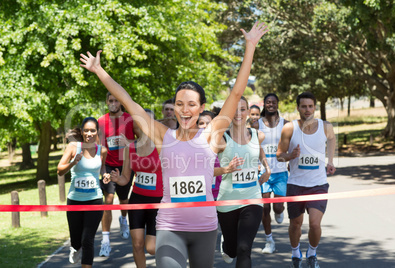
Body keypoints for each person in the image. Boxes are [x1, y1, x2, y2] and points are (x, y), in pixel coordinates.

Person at [79, 21, 268, 268]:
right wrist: (99, 71)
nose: (185, 110)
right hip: (169, 227)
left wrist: (250, 47)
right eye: (179, 104)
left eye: (191, 104)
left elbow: (235, 94)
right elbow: (127, 100)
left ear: (201, 108)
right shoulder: (162, 135)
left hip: (205, 228)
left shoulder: (211, 134)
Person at [276, 92, 336, 268]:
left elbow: (331, 140)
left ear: (315, 107)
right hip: (295, 184)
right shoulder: (289, 128)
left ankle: (312, 253)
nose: (307, 110)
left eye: (310, 106)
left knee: (315, 224)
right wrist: (290, 156)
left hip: (318, 184)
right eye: (304, 106)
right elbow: (279, 155)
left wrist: (330, 160)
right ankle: (295, 253)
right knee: (296, 224)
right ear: (298, 108)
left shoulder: (326, 127)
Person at [216, 96, 270, 267]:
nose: (238, 113)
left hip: (252, 198)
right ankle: (226, 243)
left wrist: (267, 167)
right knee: (231, 251)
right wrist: (225, 169)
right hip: (227, 200)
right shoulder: (221, 139)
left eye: (242, 109)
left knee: (244, 248)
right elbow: (205, 170)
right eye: (234, 109)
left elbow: (258, 150)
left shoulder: (257, 135)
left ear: (248, 112)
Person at [108, 109, 163, 268]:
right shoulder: (130, 148)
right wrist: (118, 179)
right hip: (137, 199)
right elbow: (126, 178)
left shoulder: (162, 147)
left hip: (158, 201)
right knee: (137, 244)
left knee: (151, 248)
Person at [57, 117, 108, 267]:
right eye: (86, 130)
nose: (89, 133)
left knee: (88, 239)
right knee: (76, 239)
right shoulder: (73, 147)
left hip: (95, 199)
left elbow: (102, 168)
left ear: (97, 132)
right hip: (75, 199)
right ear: (81, 132)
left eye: (93, 130)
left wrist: (105, 175)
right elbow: (60, 170)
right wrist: (73, 162)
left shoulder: (102, 150)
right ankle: (74, 247)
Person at [97, 93, 136, 257]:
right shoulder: (101, 121)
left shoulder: (130, 119)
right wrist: (102, 170)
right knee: (108, 199)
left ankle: (123, 219)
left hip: (125, 164)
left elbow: (140, 141)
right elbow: (99, 147)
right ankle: (105, 241)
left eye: (116, 100)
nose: (113, 103)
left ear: (121, 102)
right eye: (110, 101)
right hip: (108, 164)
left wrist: (127, 143)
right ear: (106, 102)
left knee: (124, 200)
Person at [251, 93, 289, 254]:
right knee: (264, 208)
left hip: (281, 172)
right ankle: (269, 241)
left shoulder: (286, 124)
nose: (271, 104)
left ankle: (280, 210)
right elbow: (250, 145)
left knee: (278, 207)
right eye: (268, 102)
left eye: (273, 102)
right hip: (263, 172)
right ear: (264, 105)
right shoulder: (256, 124)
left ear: (277, 104)